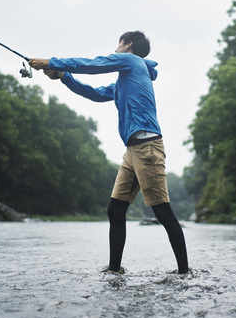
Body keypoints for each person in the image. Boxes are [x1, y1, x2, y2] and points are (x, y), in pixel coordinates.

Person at [29, 31, 189, 275]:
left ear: (128, 44)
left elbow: (94, 64)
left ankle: (184, 272)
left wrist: (51, 62)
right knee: (115, 209)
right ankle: (115, 270)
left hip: (147, 147)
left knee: (162, 211)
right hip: (133, 150)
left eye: (119, 43)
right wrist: (63, 76)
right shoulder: (125, 79)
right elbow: (92, 93)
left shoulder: (132, 61)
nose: (115, 48)